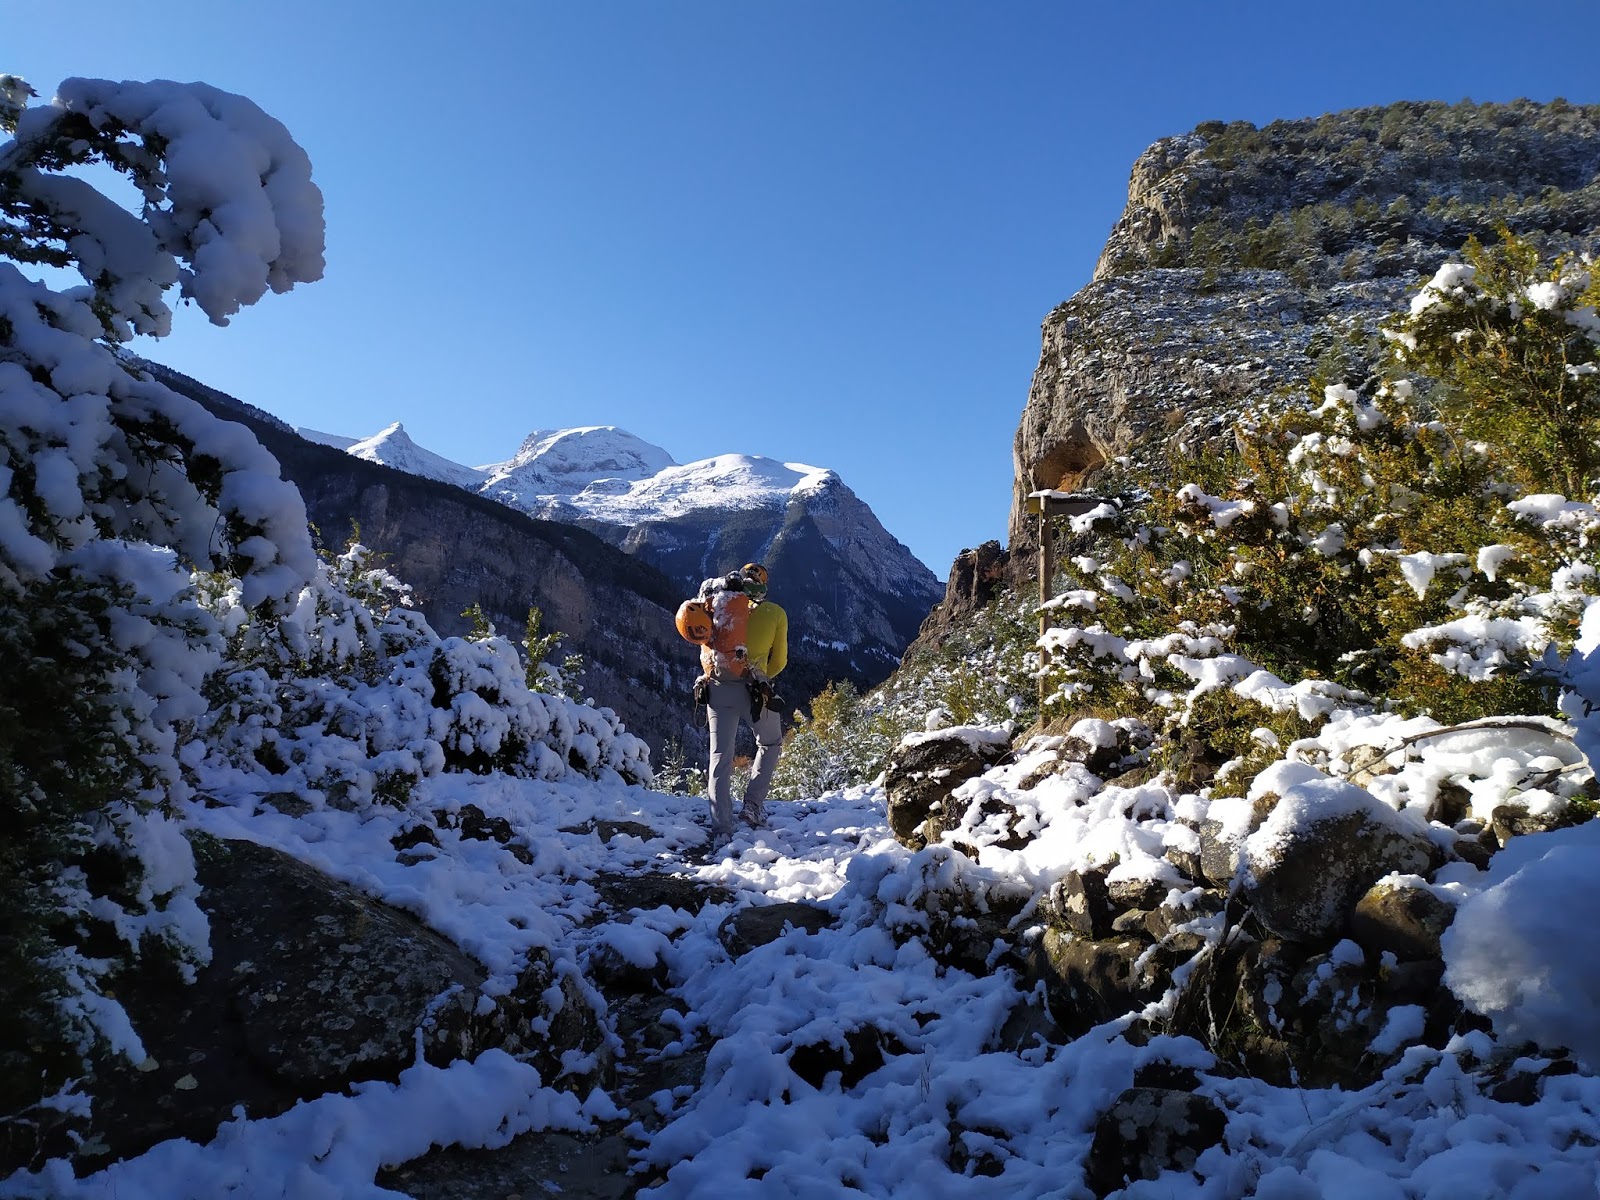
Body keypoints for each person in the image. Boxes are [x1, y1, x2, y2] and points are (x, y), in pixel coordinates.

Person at [697, 562, 787, 845]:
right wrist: (762, 677)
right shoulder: (774, 613)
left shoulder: (717, 607)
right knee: (770, 742)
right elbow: (780, 660)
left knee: (720, 756)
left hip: (716, 688)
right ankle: (752, 806)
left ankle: (722, 827)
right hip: (753, 690)